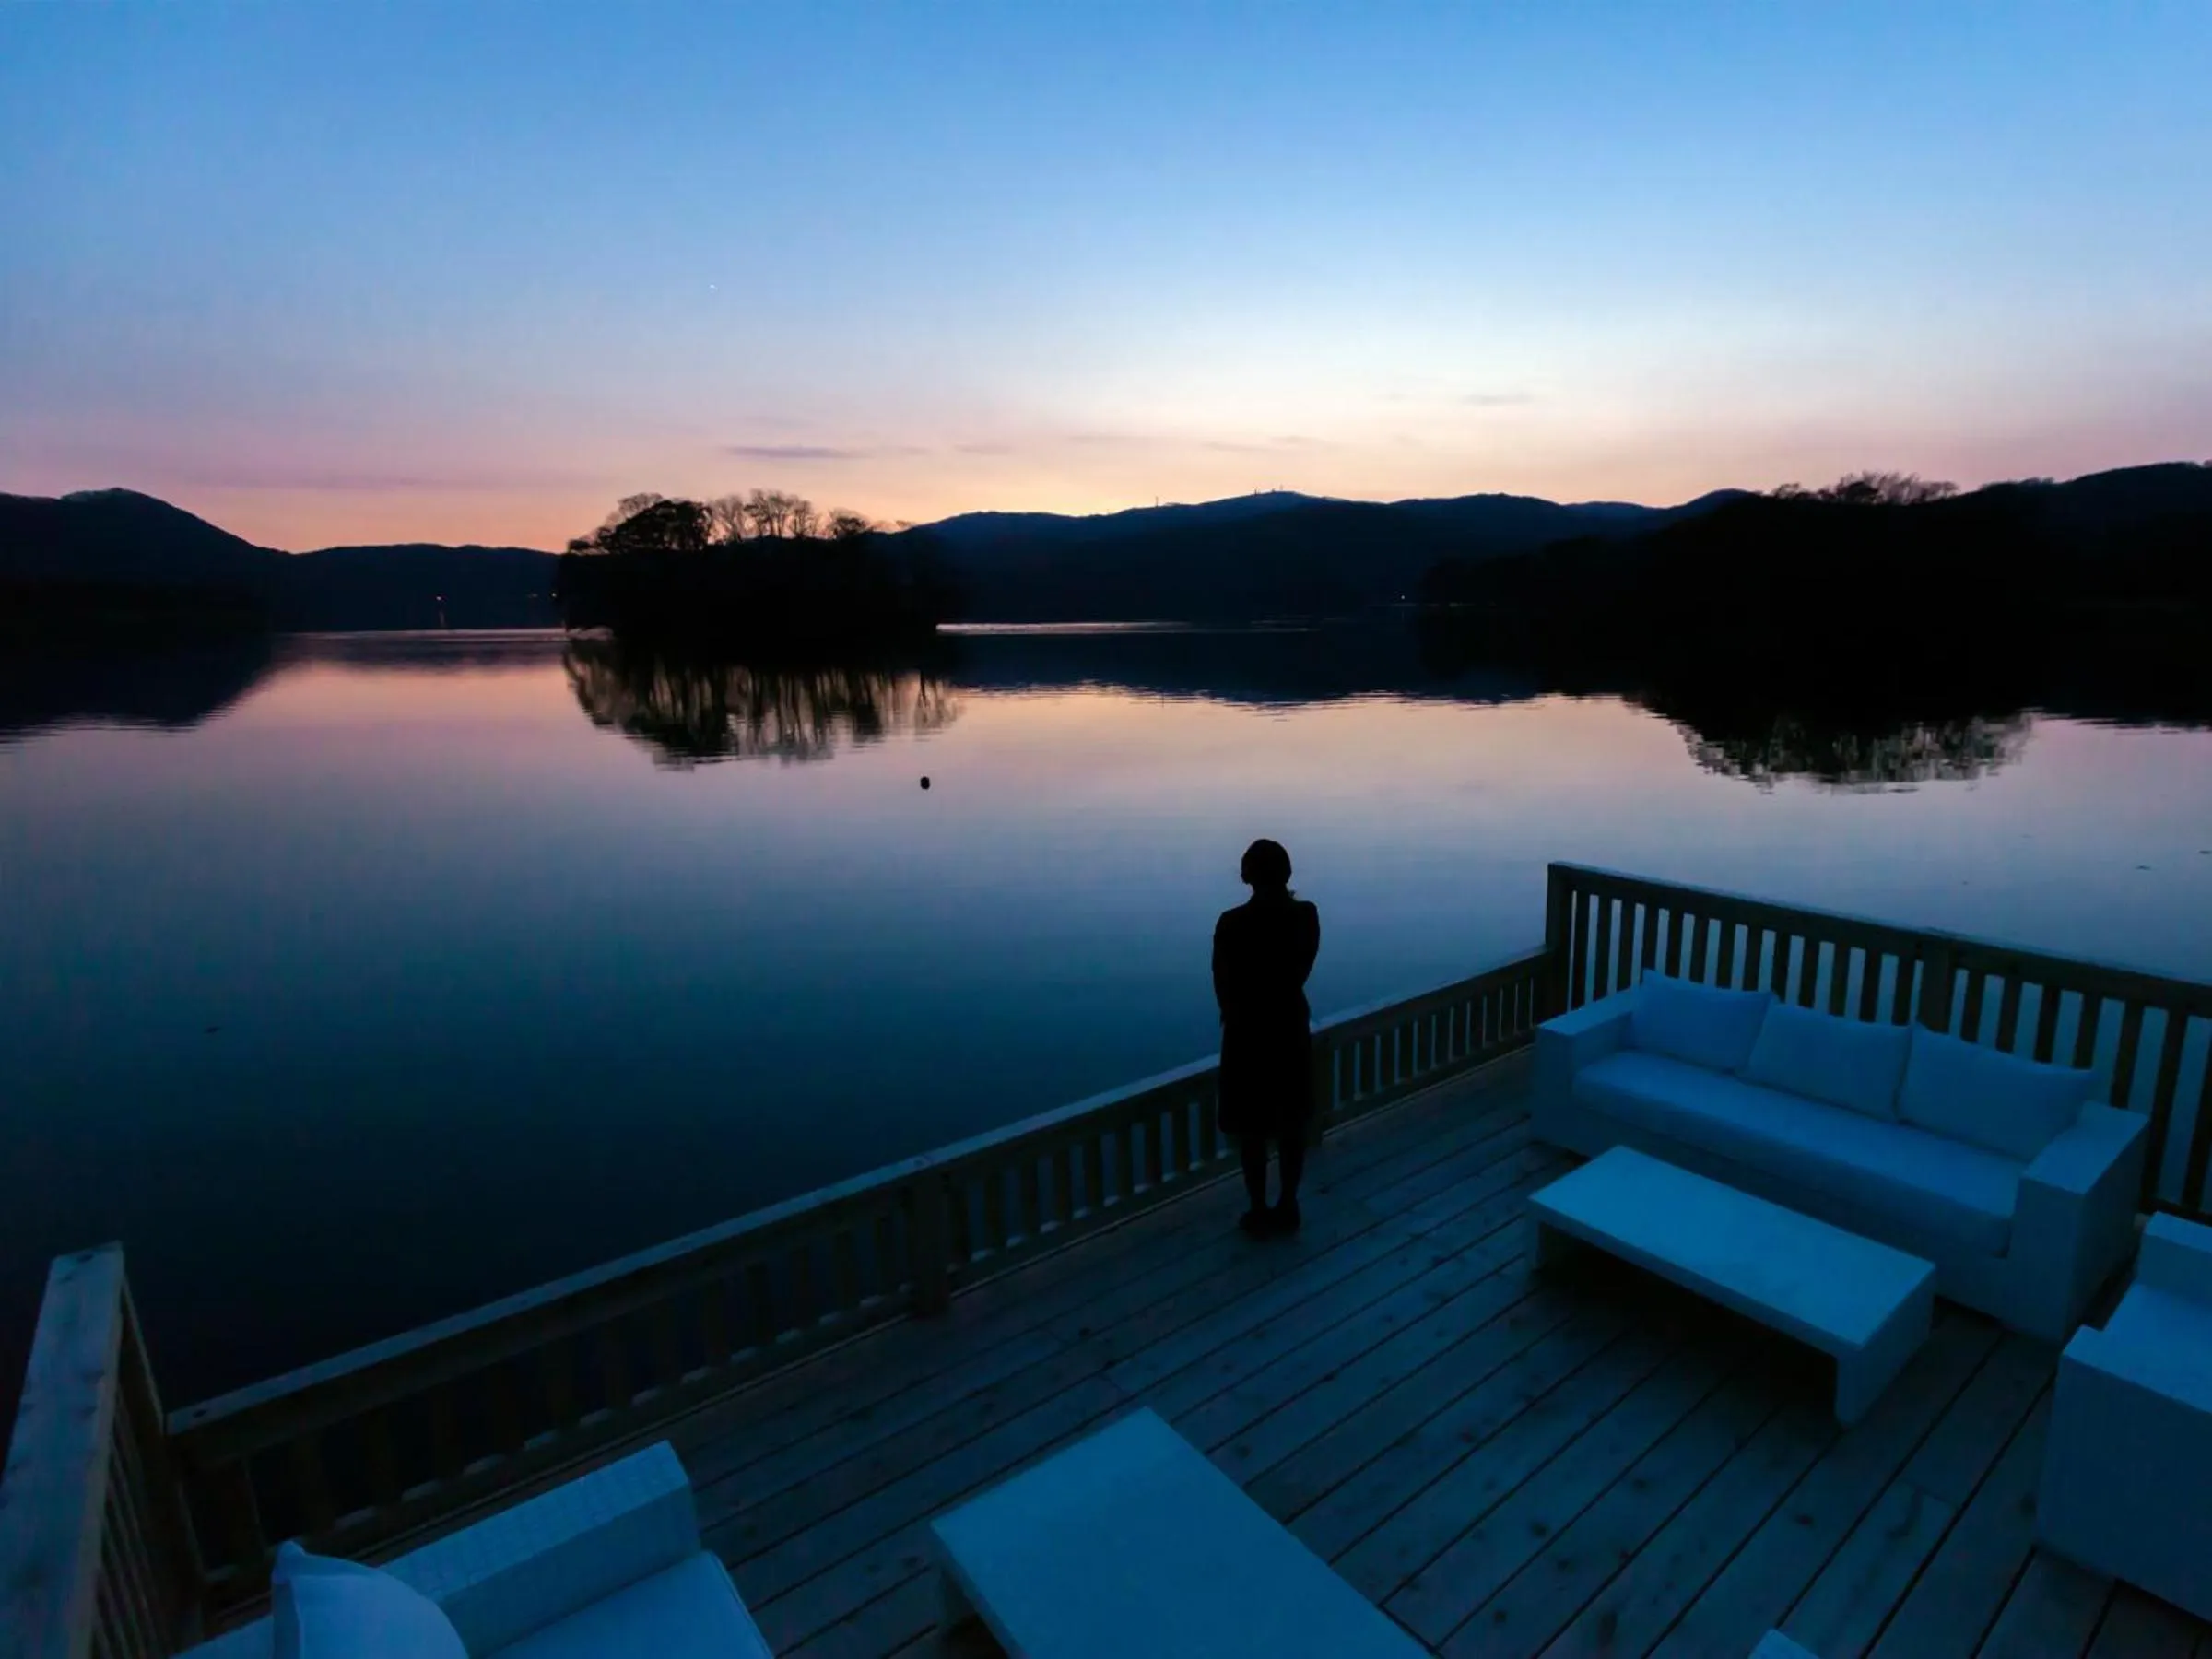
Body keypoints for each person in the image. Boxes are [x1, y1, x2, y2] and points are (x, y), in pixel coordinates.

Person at [1213, 838, 1322, 1236]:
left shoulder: (1231, 924)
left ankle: (1258, 1209)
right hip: (1289, 1028)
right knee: (1291, 1123)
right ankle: (1288, 1202)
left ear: (1247, 876)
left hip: (1246, 1036)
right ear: (1287, 873)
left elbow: (1222, 986)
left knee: (1252, 1131)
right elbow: (1300, 971)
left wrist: (1240, 1012)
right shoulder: (1306, 916)